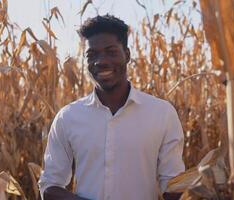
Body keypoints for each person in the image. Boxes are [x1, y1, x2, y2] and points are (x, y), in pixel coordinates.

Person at [38, 14, 185, 200]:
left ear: (128, 55)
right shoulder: (68, 117)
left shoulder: (162, 114)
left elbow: (175, 187)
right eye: (92, 55)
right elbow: (50, 186)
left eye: (111, 52)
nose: (101, 61)